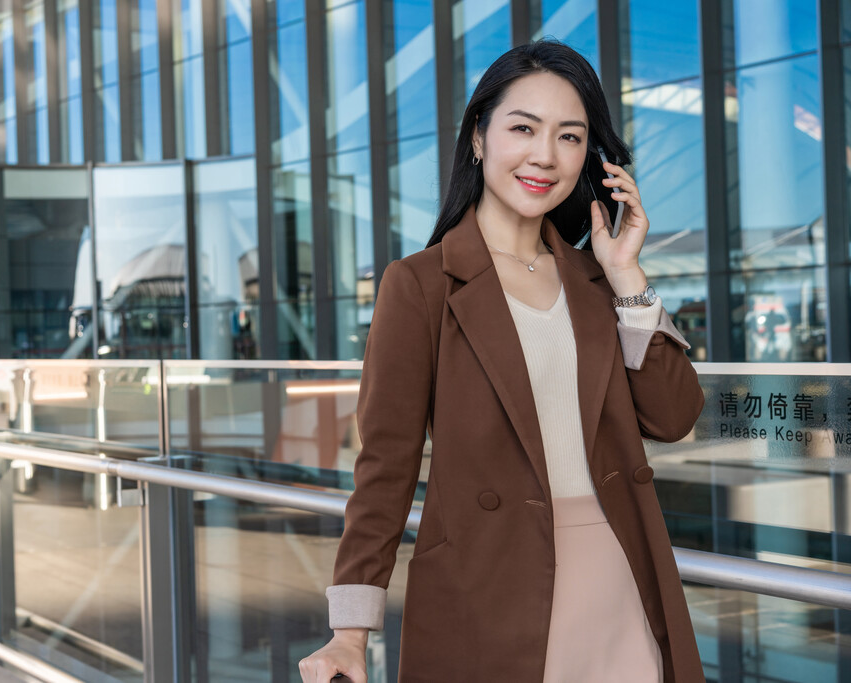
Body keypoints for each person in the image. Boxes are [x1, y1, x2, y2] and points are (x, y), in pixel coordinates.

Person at [299, 39, 706, 683]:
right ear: (479, 138)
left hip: (619, 577)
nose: (545, 155)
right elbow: (384, 470)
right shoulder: (421, 285)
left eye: (570, 136)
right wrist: (350, 632)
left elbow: (674, 415)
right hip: (486, 591)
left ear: (590, 158)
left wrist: (628, 274)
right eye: (523, 128)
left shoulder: (597, 280)